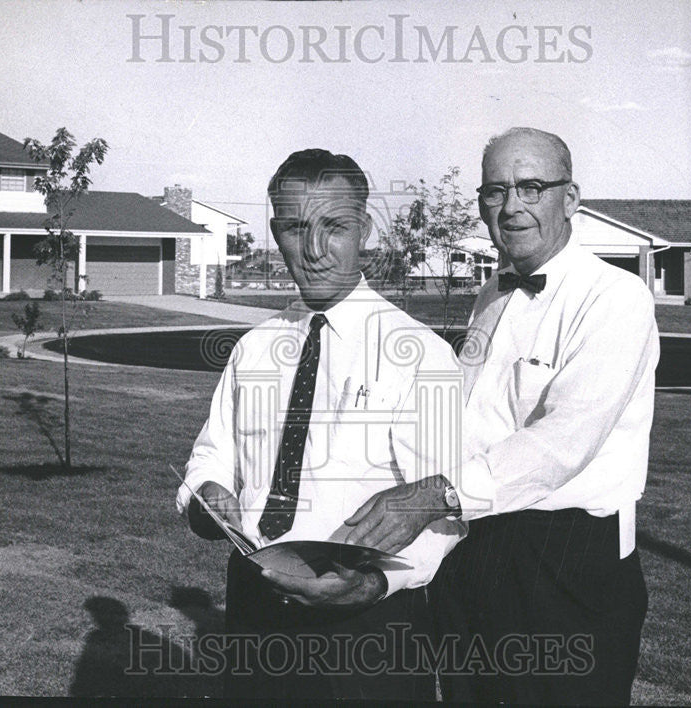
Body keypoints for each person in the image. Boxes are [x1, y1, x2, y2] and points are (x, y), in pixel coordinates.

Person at [344, 127, 659, 704]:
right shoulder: (491, 293)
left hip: (566, 560)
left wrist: (429, 495)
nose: (511, 206)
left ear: (570, 198)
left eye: (531, 187)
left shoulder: (616, 298)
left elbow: (564, 441)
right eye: (495, 191)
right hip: (473, 542)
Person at [176, 149, 465, 700]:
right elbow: (210, 456)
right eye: (295, 227)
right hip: (256, 611)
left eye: (333, 227)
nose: (312, 250)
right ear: (274, 231)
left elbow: (443, 509)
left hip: (369, 622)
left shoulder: (419, 355)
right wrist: (208, 494)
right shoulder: (254, 348)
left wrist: (374, 582)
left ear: (365, 229)